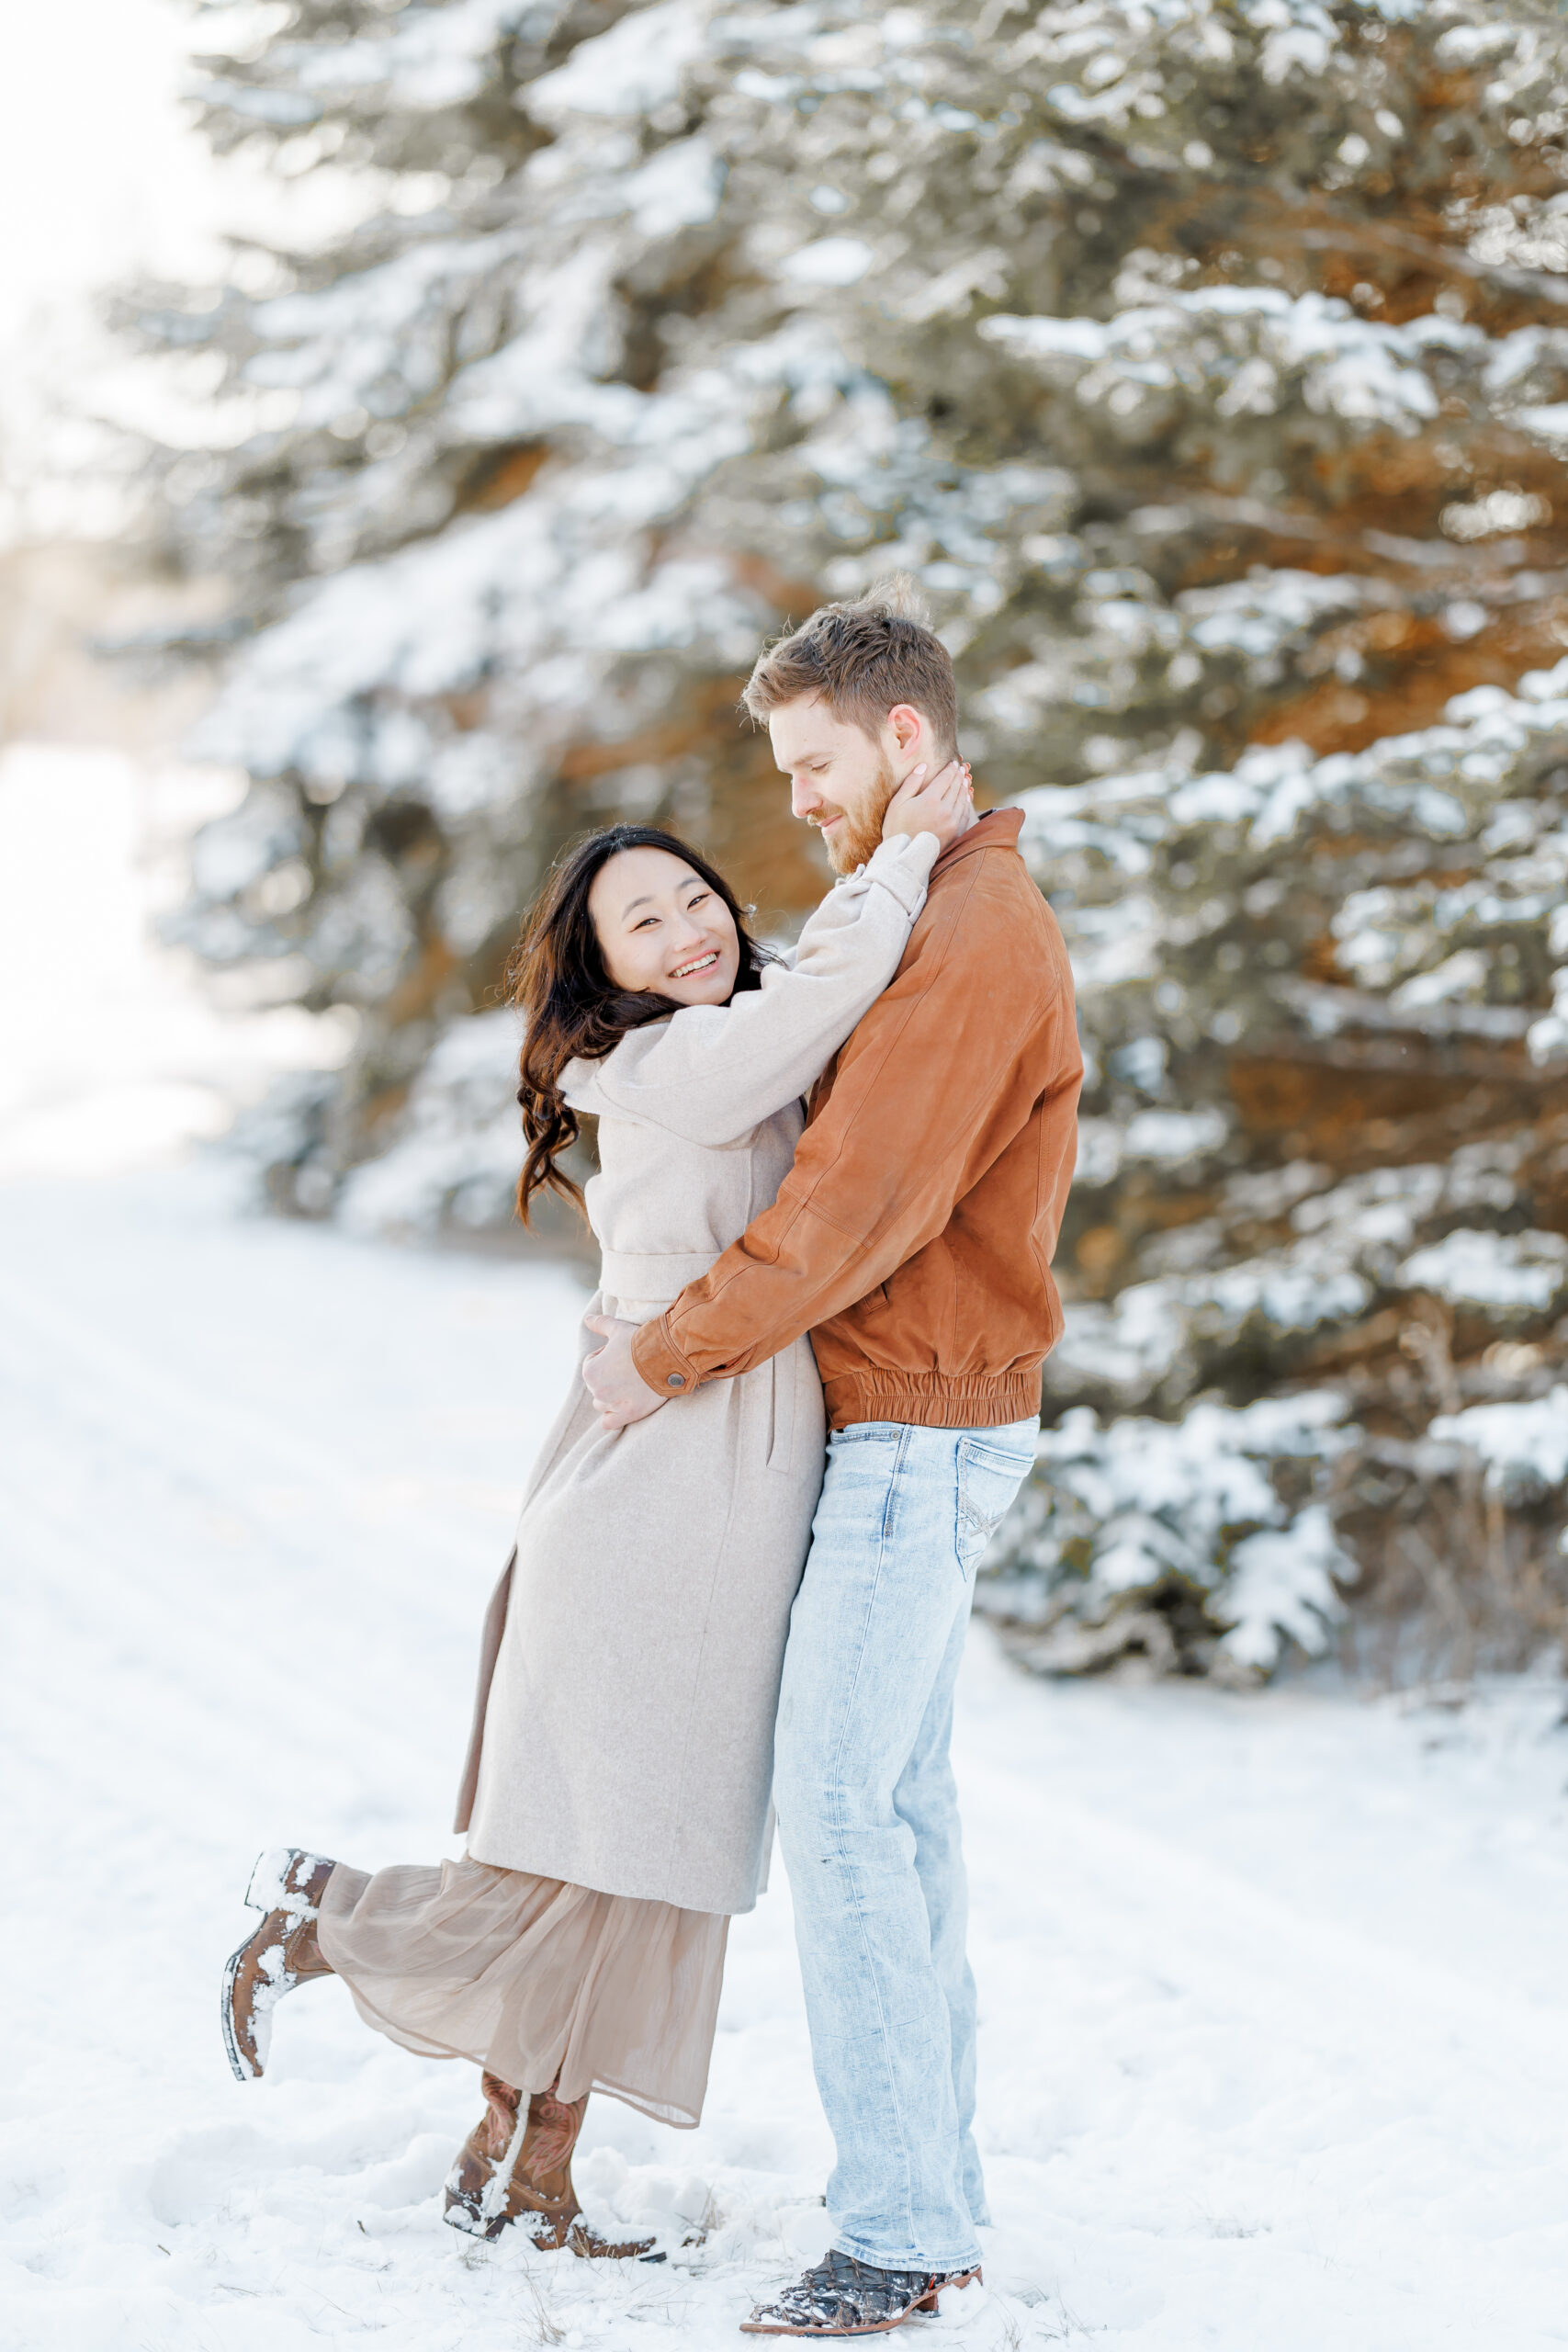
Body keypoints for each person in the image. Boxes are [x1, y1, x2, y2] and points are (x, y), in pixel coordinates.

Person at [219, 760, 975, 2258]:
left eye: (696, 896)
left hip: (691, 1457)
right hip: (677, 1473)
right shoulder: (671, 1065)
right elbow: (822, 1000)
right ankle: (330, 1919)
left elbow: (810, 1021)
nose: (690, 930)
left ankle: (519, 2167)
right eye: (645, 922)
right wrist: (907, 852)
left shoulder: (706, 1047)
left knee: (624, 1848)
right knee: (628, 1848)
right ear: (600, 969)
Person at [582, 580, 1083, 2337]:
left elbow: (847, 1207)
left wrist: (664, 1351)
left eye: (811, 765)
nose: (794, 803)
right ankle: (928, 2191)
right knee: (899, 1810)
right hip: (912, 1419)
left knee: (844, 1817)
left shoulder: (978, 929)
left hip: (918, 1432)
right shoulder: (934, 904)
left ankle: (899, 2232)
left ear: (904, 738)